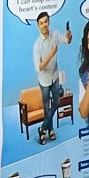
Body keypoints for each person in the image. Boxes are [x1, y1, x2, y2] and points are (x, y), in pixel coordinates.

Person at [32, 12, 69, 142]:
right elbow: (39, 67)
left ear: (49, 22)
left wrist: (69, 37)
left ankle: (42, 128)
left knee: (57, 102)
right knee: (47, 106)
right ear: (38, 26)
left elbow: (66, 41)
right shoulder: (37, 45)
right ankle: (50, 129)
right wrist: (51, 54)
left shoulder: (55, 34)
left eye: (46, 22)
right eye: (41, 23)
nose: (44, 25)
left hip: (55, 75)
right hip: (44, 80)